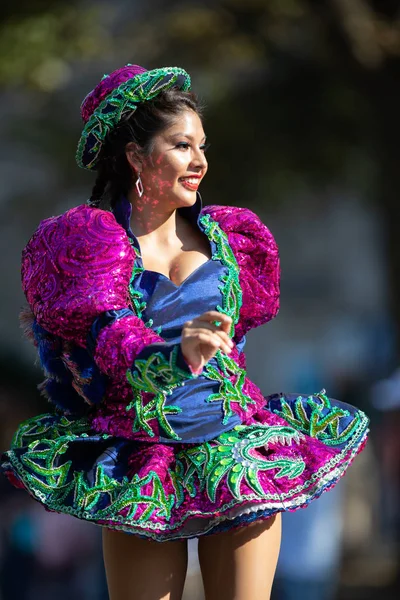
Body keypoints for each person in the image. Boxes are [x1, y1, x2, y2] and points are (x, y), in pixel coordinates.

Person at [1, 64, 369, 600]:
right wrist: (179, 355)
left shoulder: (231, 237)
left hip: (236, 451)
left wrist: (205, 349)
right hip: (142, 462)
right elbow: (116, 344)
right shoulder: (92, 245)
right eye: (181, 146)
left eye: (202, 146)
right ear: (135, 157)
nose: (199, 161)